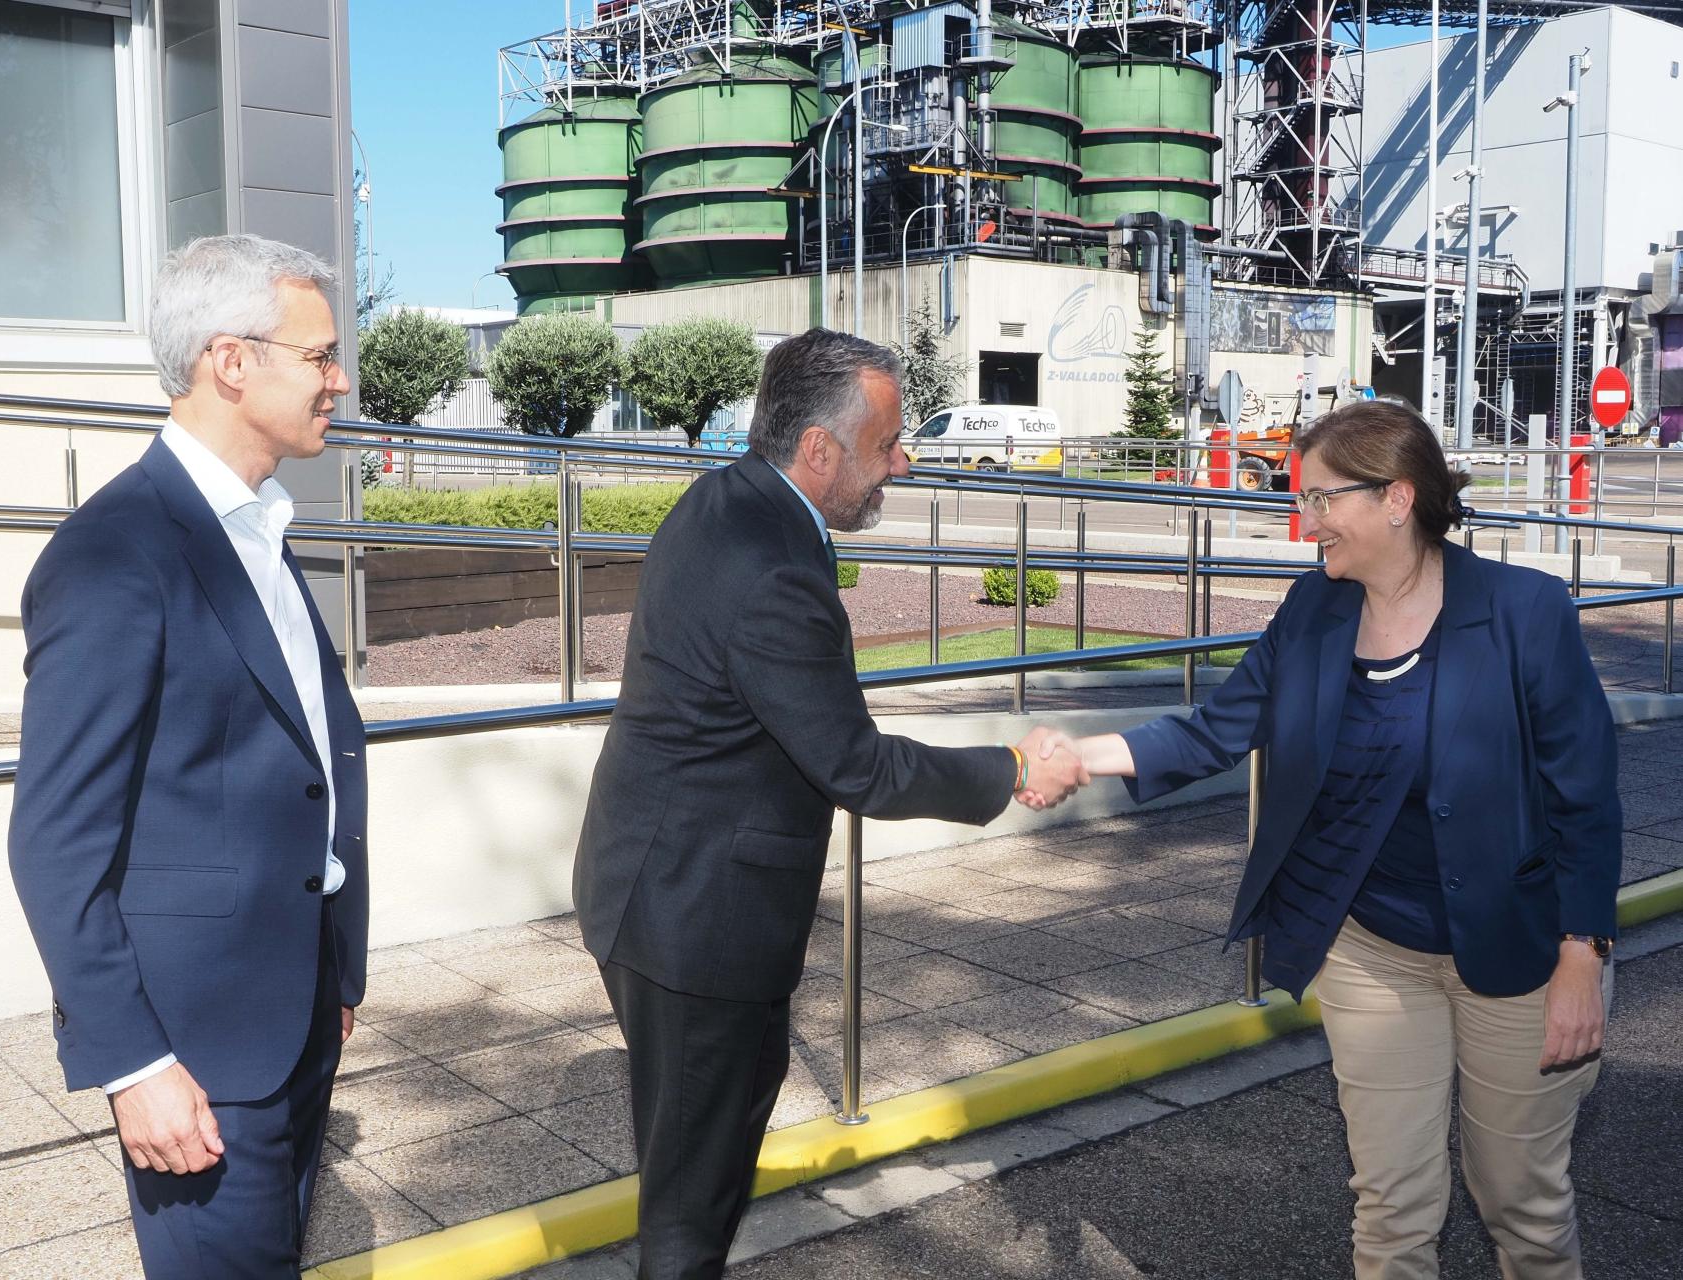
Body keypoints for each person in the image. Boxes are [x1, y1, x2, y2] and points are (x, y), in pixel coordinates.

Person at [1046, 401, 1619, 1280]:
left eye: (1319, 500)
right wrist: (1080, 755)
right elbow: (1213, 731)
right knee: (1391, 1207)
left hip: (1522, 948)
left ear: (1396, 498)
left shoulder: (1523, 611)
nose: (1303, 521)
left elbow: (1584, 795)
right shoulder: (1314, 608)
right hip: (1371, 947)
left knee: (1523, 1206)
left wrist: (1583, 954)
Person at [574, 327, 1088, 1279]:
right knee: (691, 1211)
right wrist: (1012, 767)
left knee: (698, 1174)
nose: (902, 462)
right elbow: (858, 767)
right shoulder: (772, 564)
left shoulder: (727, 500)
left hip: (656, 887)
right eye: (887, 445)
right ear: (818, 448)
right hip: (695, 921)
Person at [8, 234, 369, 1278]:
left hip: (294, 1006)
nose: (339, 379)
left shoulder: (259, 525)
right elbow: (55, 840)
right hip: (194, 1047)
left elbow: (302, 755)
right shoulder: (116, 551)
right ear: (232, 360)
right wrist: (133, 1062)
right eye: (321, 354)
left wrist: (331, 956)